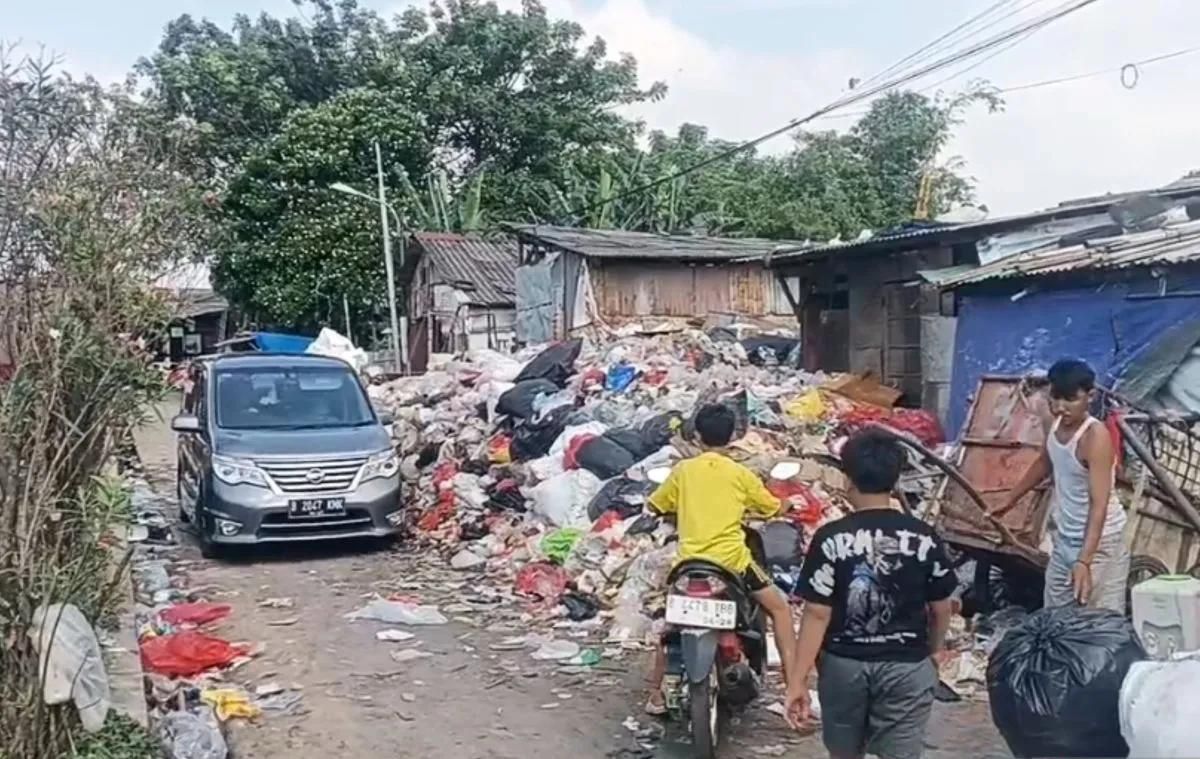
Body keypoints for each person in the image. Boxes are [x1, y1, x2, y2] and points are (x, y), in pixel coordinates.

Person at [785, 429, 954, 759]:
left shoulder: (830, 538)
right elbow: (941, 607)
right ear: (894, 480)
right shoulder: (923, 537)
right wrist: (934, 652)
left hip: (844, 667)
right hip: (906, 666)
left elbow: (817, 614)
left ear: (847, 479)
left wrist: (797, 680)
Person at [643, 402, 800, 714]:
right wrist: (788, 506)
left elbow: (655, 504)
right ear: (733, 436)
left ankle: (656, 696)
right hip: (733, 564)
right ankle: (792, 684)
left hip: (688, 566)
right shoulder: (741, 474)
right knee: (780, 609)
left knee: (670, 627)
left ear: (697, 435)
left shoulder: (683, 471)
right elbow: (771, 507)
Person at [997, 358, 1129, 611]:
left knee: (1097, 624)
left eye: (1070, 400)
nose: (1060, 407)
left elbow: (1098, 505)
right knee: (1054, 619)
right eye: (1055, 399)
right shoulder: (1054, 422)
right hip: (1065, 538)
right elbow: (1045, 461)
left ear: (1089, 396)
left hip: (1101, 543)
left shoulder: (1095, 436)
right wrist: (1009, 500)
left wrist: (1085, 561)